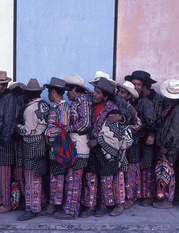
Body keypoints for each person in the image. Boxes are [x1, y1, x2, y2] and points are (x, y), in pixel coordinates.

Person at [80, 78, 122, 217]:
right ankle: (90, 205)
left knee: (106, 178)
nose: (94, 95)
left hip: (104, 149)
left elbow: (112, 134)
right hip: (91, 147)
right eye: (95, 91)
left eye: (98, 93)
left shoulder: (112, 111)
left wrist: (97, 141)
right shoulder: (90, 105)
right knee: (91, 177)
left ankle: (104, 205)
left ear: (106, 96)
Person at [54, 75, 92, 219]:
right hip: (75, 144)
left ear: (75, 89)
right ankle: (71, 209)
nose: (66, 94)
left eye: (68, 90)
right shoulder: (78, 101)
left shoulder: (82, 102)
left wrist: (67, 128)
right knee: (72, 178)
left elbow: (85, 123)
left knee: (74, 179)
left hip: (80, 146)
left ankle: (71, 211)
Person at [16, 79, 49, 221]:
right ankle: (41, 201)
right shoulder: (45, 105)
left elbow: (28, 131)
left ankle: (32, 208)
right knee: (39, 175)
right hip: (42, 143)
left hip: (31, 144)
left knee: (30, 178)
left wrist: (17, 127)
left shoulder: (29, 109)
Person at [0, 70, 21, 215]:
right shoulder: (0, 98)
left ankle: (6, 203)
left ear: (5, 85)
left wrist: (3, 140)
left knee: (3, 175)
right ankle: (0, 200)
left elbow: (9, 122)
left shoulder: (9, 99)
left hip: (4, 142)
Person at [153, 79, 179, 209]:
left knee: (168, 173)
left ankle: (168, 200)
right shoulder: (174, 107)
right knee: (165, 172)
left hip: (170, 148)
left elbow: (175, 134)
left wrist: (166, 149)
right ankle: (166, 198)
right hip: (167, 145)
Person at [125, 70, 157, 206]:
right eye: (134, 84)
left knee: (146, 166)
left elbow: (153, 122)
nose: (136, 87)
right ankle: (135, 194)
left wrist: (151, 134)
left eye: (139, 84)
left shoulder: (145, 102)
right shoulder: (131, 101)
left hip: (145, 138)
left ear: (143, 86)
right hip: (134, 139)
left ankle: (147, 195)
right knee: (135, 165)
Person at [44, 77, 69, 216]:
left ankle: (55, 204)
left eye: (49, 91)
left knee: (58, 175)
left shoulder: (63, 107)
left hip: (59, 146)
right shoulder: (56, 107)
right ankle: (53, 202)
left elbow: (64, 127)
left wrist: (48, 132)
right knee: (55, 175)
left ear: (53, 92)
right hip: (54, 146)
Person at [116, 81, 142, 212]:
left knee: (130, 171)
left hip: (130, 144)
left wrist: (126, 130)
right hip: (121, 144)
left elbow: (138, 123)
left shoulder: (130, 108)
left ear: (128, 96)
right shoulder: (118, 106)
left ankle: (131, 197)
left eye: (122, 92)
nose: (119, 94)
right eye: (119, 91)